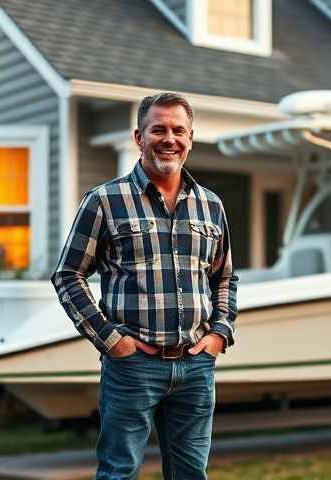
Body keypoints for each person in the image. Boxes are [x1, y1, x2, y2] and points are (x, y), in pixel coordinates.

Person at [51, 92, 238, 480]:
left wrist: (220, 333)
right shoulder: (104, 201)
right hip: (132, 368)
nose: (169, 138)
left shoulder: (211, 206)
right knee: (119, 473)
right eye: (159, 129)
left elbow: (224, 277)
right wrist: (111, 340)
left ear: (190, 138)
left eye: (178, 130)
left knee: (191, 475)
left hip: (195, 367)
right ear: (139, 137)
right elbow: (68, 275)